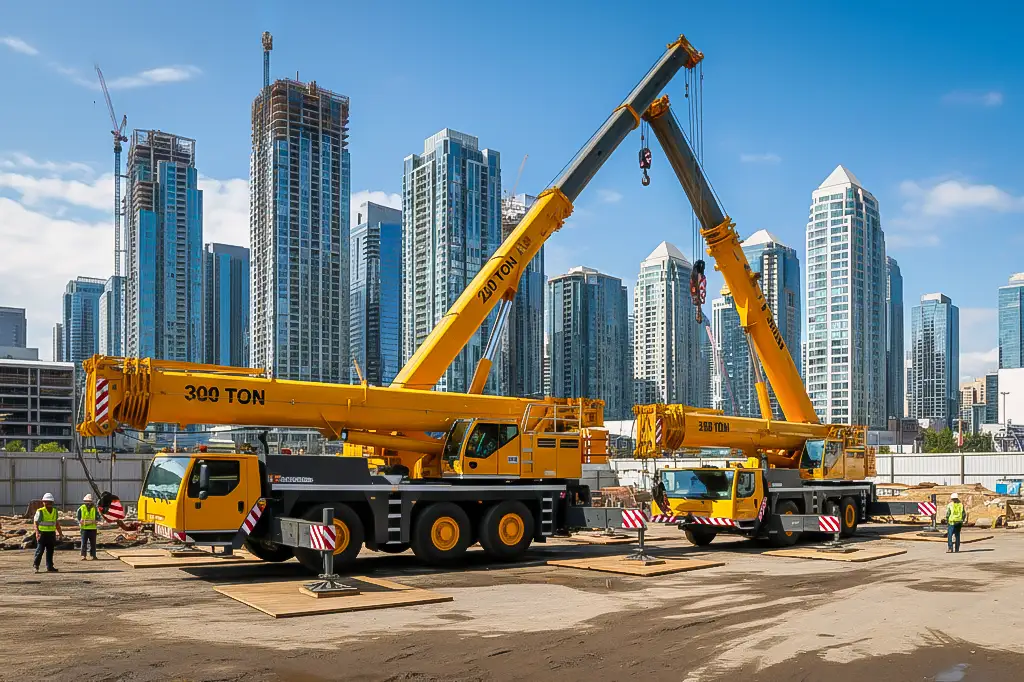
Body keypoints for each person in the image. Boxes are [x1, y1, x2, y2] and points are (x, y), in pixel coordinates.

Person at [33, 492, 63, 573]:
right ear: (43, 502)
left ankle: (50, 566)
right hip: (42, 534)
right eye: (46, 502)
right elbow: (35, 523)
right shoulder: (40, 511)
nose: (48, 504)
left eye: (49, 502)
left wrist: (60, 533)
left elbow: (56, 523)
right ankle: (36, 565)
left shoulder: (54, 511)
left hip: (51, 534)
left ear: (52, 503)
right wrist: (37, 533)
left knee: (50, 551)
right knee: (40, 551)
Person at [77, 494, 99, 561]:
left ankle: (93, 555)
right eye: (87, 501)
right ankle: (83, 556)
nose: (88, 503)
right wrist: (81, 522)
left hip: (93, 529)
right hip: (84, 529)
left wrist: (95, 521)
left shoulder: (95, 509)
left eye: (89, 501)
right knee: (84, 543)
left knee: (93, 543)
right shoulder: (81, 508)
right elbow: (78, 518)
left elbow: (98, 517)